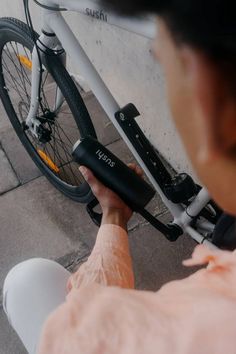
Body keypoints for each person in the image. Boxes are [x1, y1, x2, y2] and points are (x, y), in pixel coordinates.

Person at [3, 0, 236, 353]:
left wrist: (113, 218)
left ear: (212, 101)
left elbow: (83, 336)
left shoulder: (194, 324)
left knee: (25, 282)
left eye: (167, 66)